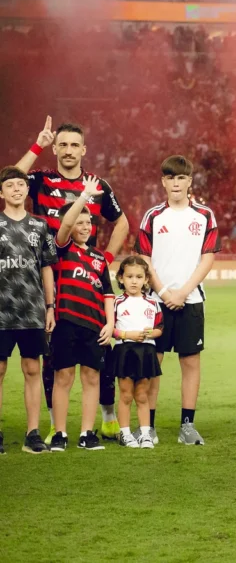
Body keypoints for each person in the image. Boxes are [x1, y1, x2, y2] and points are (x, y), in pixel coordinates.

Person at [15, 117, 129, 443]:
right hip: (45, 276)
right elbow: (10, 180)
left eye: (73, 145)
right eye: (61, 144)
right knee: (53, 355)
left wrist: (104, 259)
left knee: (97, 351)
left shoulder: (97, 185)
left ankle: (106, 419)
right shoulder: (42, 180)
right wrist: (37, 144)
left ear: (84, 150)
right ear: (55, 148)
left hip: (84, 278)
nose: (68, 150)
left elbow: (122, 224)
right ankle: (56, 425)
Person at [135, 155, 219, 446]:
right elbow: (144, 260)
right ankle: (149, 427)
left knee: (191, 363)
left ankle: (187, 425)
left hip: (191, 300)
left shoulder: (205, 215)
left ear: (189, 181)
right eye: (170, 178)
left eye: (181, 178)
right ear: (163, 182)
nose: (176, 183)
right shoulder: (153, 216)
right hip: (156, 303)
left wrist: (183, 292)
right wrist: (163, 292)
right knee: (153, 363)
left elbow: (208, 257)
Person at [49, 177, 116, 451]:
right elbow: (65, 223)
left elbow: (108, 295)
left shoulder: (99, 258)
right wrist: (84, 196)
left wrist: (110, 323)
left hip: (93, 326)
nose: (85, 226)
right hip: (65, 323)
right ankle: (60, 434)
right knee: (63, 377)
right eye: (80, 222)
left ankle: (87, 434)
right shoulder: (62, 249)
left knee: (92, 378)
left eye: (89, 223)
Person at [0, 166, 57, 454]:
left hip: (32, 310)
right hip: (1, 311)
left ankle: (32, 434)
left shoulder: (40, 226)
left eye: (21, 184)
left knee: (32, 368)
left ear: (26, 190)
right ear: (2, 192)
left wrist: (50, 306)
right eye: (10, 185)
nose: (17, 189)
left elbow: (47, 268)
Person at [110, 256, 163, 449]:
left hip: (146, 351)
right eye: (129, 276)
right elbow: (111, 329)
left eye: (139, 277)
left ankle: (145, 434)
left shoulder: (152, 303)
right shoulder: (117, 302)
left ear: (146, 280)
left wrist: (153, 332)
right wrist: (127, 334)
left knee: (142, 395)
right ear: (121, 278)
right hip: (125, 350)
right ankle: (124, 433)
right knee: (125, 395)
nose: (134, 281)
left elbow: (159, 328)